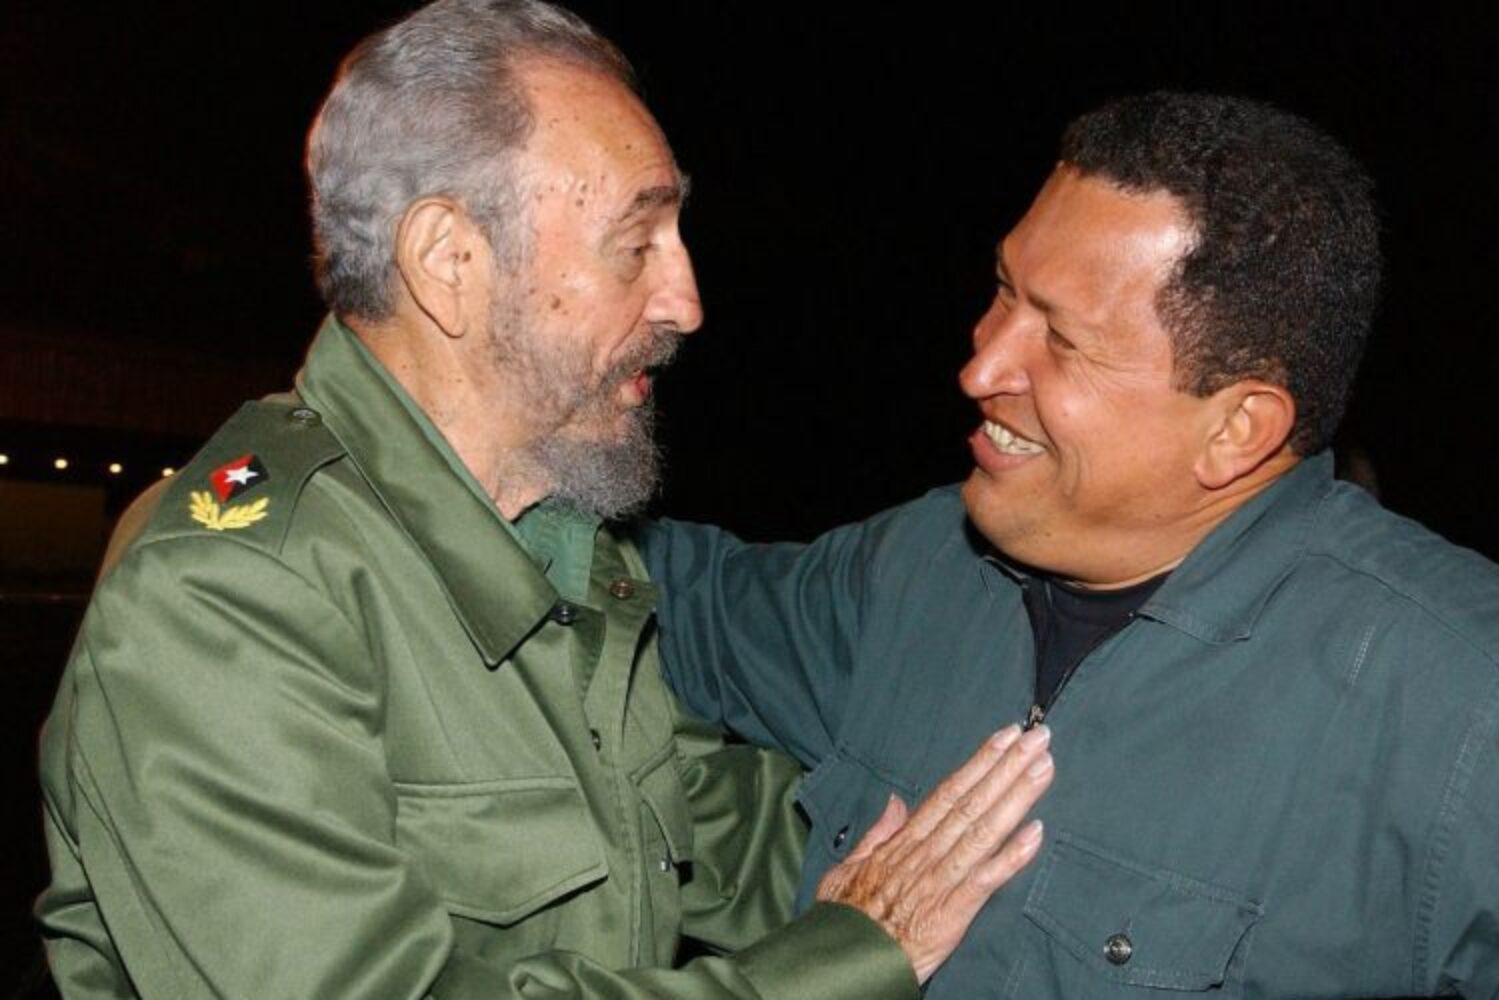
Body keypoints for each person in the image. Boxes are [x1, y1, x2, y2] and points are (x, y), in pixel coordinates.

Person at [34, 3, 1055, 997]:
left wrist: (1032, 863)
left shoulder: (553, 537)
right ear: (450, 261)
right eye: (636, 244)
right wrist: (852, 958)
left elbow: (713, 826)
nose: (686, 303)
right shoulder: (232, 596)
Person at [644, 92, 1499, 998]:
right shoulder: (921, 566)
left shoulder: (1497, 704)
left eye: (1061, 340)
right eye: (1004, 290)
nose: (981, 364)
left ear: (1238, 429)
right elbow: (658, 594)